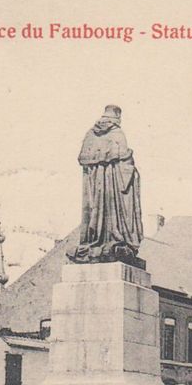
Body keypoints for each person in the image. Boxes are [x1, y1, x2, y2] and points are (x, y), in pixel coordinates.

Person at [68, 105, 145, 265]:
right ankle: (113, 238)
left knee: (95, 210)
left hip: (94, 189)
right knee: (114, 212)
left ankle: (94, 238)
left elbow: (85, 164)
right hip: (113, 188)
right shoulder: (117, 134)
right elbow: (126, 166)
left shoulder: (90, 135)